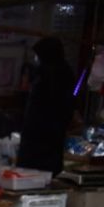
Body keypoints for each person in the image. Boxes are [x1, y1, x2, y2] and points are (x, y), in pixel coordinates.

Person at [17, 37, 75, 175]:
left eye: (38, 55)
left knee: (36, 167)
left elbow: (57, 101)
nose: (36, 58)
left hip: (43, 129)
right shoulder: (59, 70)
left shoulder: (52, 72)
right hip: (49, 129)